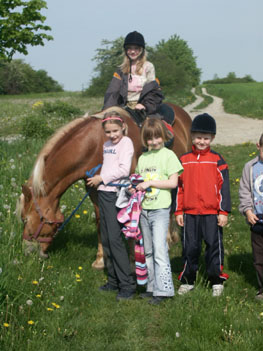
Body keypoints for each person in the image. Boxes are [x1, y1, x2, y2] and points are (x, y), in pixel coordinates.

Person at [174, 113, 231, 297]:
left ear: (212, 138)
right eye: (198, 137)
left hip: (211, 213)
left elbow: (224, 189)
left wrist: (223, 211)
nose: (201, 141)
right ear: (192, 136)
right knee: (190, 247)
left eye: (206, 138)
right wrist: (178, 211)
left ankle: (216, 279)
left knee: (214, 245)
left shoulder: (217, 160)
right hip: (189, 213)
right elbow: (179, 188)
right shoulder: (184, 160)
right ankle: (188, 279)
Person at [86, 111, 136, 301]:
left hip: (116, 194)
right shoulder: (107, 145)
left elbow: (124, 169)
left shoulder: (127, 143)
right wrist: (97, 176)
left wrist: (102, 178)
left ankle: (127, 285)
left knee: (115, 239)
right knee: (106, 237)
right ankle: (113, 280)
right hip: (104, 192)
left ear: (123, 127)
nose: (112, 135)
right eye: (108, 132)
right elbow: (109, 166)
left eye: (115, 130)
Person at [135, 118, 183, 305]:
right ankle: (151, 286)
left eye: (157, 138)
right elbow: (139, 179)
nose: (154, 142)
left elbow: (173, 183)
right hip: (144, 210)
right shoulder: (142, 158)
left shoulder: (169, 156)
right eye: (149, 139)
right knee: (148, 250)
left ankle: (165, 290)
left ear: (163, 136)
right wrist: (135, 187)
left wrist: (151, 183)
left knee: (160, 249)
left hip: (160, 210)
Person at [103, 31, 164, 122]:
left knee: (153, 129)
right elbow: (112, 92)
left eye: (136, 48)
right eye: (129, 48)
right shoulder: (120, 70)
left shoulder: (148, 67)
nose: (132, 51)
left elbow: (153, 91)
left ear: (141, 50)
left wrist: (145, 105)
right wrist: (107, 111)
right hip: (124, 108)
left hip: (142, 107)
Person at [239, 133, 263, 300]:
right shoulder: (250, 167)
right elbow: (245, 191)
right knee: (259, 258)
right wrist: (248, 210)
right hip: (258, 220)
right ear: (258, 146)